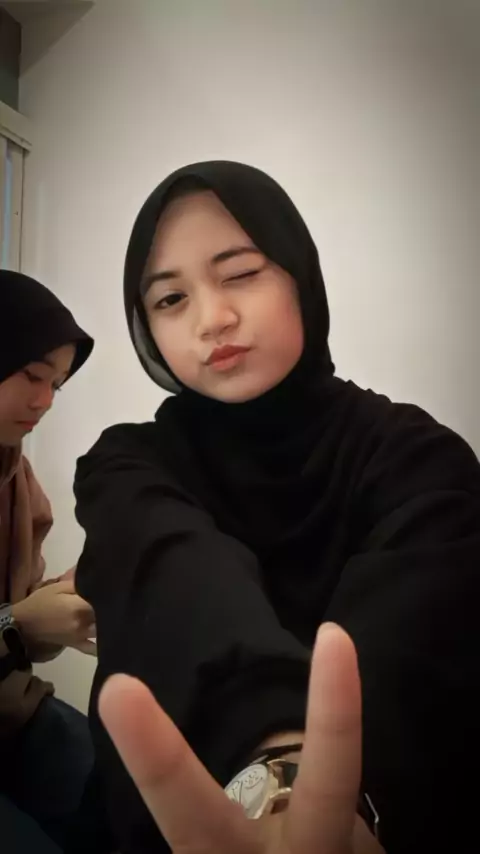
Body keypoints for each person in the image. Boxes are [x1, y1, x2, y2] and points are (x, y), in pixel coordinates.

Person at [73, 162, 480, 854]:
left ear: (301, 276)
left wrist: (325, 800)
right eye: (170, 299)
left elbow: (413, 652)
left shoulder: (415, 456)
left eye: (240, 273)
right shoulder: (128, 463)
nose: (212, 319)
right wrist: (278, 764)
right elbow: (177, 568)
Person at [0, 270, 96, 853]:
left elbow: (23, 632)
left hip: (14, 716)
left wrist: (59, 604)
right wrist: (14, 624)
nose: (45, 401)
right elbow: (14, 626)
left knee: (134, 799)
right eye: (32, 375)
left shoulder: (18, 479)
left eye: (57, 383)